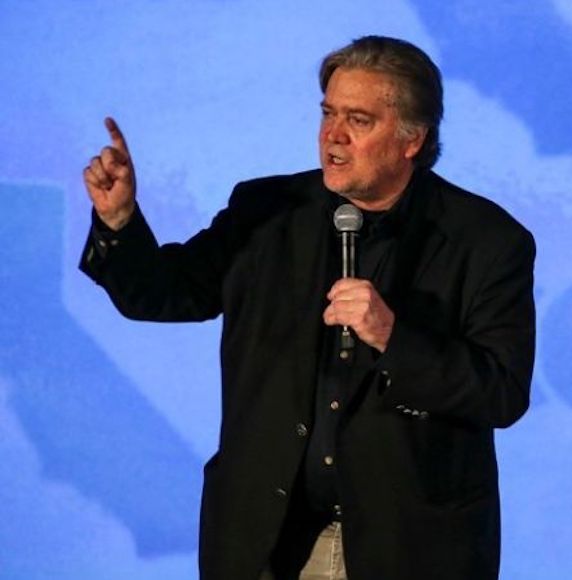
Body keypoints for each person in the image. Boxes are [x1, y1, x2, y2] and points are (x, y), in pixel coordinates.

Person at [80, 36, 535, 580]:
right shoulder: (267, 211)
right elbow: (164, 293)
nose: (332, 136)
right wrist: (119, 222)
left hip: (410, 547)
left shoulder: (486, 240)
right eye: (328, 114)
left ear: (412, 138)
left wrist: (394, 337)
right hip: (267, 543)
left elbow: (502, 392)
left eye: (359, 120)